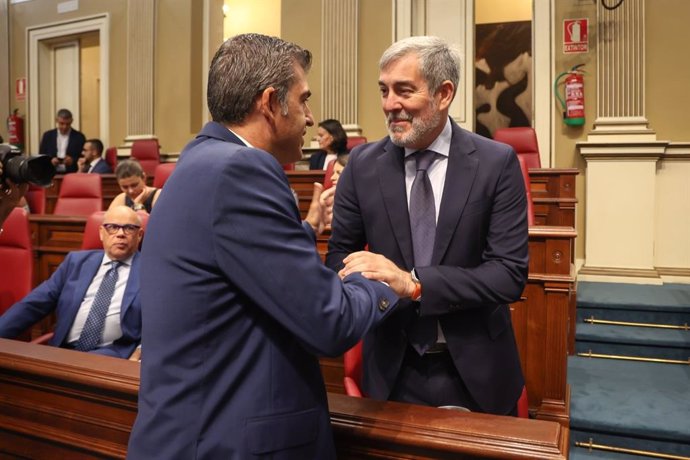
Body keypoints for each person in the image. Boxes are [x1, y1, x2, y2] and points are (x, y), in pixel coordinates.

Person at [126, 33, 410, 460]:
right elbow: (329, 322)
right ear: (270, 102)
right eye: (303, 100)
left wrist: (306, 229)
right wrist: (390, 283)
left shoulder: (197, 160)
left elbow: (237, 268)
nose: (311, 118)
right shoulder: (244, 169)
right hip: (230, 442)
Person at [326, 36, 529, 416]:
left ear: (444, 93)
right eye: (384, 91)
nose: (390, 105)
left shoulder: (496, 163)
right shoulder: (362, 165)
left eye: (404, 91)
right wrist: (375, 288)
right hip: (390, 369)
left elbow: (508, 274)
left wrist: (416, 284)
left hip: (476, 369)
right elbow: (340, 256)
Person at [0, 206, 143, 359]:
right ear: (101, 233)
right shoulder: (76, 262)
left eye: (129, 228)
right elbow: (34, 304)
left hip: (111, 357)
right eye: (113, 227)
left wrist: (140, 351)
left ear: (139, 235)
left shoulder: (150, 272)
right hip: (62, 352)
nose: (120, 234)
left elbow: (162, 323)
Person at [38, 108, 86, 174]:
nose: (64, 127)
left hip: (71, 173)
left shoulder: (79, 137)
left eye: (68, 124)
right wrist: (50, 161)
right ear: (56, 120)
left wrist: (72, 160)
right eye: (61, 123)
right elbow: (41, 155)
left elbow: (84, 157)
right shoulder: (48, 135)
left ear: (71, 121)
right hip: (51, 172)